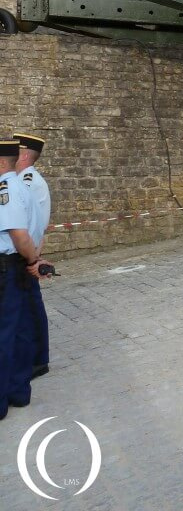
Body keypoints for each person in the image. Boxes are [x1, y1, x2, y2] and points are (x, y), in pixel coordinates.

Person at [0, 139, 39, 420]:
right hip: (16, 265)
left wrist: (33, 260)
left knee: (5, 333)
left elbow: (20, 236)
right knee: (19, 329)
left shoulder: (8, 189)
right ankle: (18, 391)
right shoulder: (23, 187)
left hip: (8, 266)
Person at [16, 133, 52, 379]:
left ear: (26, 155)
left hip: (25, 253)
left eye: (16, 151)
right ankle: (36, 358)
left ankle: (38, 360)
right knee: (28, 305)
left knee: (30, 307)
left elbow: (27, 221)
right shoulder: (20, 179)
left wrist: (33, 256)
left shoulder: (27, 179)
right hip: (26, 251)